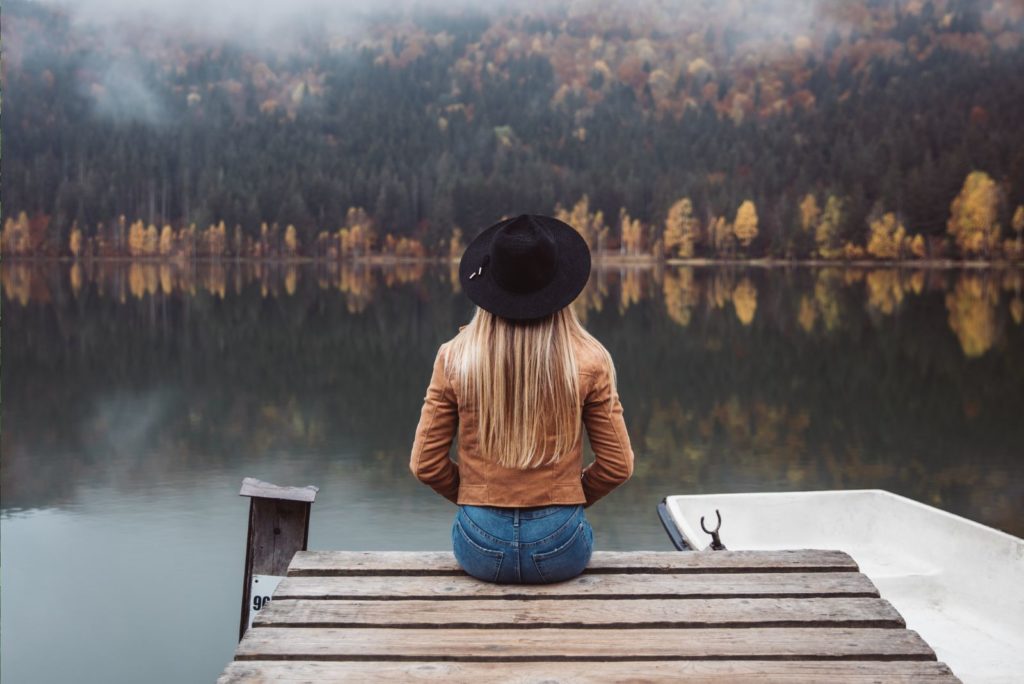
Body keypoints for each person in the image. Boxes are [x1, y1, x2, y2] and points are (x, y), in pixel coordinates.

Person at [409, 214, 635, 584]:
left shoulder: (454, 359)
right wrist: (567, 498)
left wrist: (476, 496)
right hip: (561, 547)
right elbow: (618, 466)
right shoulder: (591, 360)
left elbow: (425, 464)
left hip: (479, 547)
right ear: (560, 288)